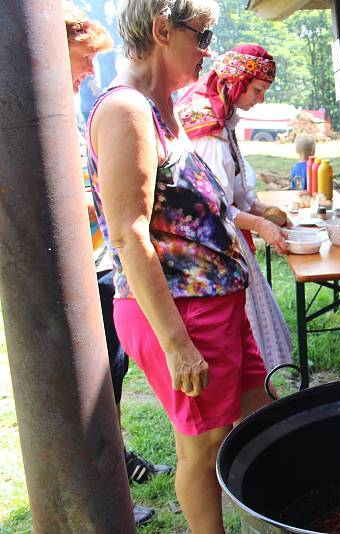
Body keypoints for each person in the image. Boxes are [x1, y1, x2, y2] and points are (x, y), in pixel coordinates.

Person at [86, 1, 272, 531]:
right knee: (205, 445)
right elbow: (128, 233)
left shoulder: (163, 103)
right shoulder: (126, 110)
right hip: (182, 311)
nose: (210, 48)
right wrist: (176, 344)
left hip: (217, 299)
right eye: (203, 34)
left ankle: (280, 516)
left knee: (260, 418)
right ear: (161, 29)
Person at [63, 2, 168, 526]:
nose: (87, 72)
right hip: (72, 270)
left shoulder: (68, 108)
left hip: (96, 260)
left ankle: (116, 463)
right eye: (82, 60)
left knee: (112, 368)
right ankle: (100, 481)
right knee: (85, 381)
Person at [177, 44, 293, 376]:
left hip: (229, 239)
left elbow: (235, 191)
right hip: (214, 249)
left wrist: (259, 208)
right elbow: (213, 207)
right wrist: (260, 225)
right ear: (237, 81)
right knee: (243, 347)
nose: (261, 99)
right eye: (258, 90)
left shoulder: (223, 118)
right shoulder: (208, 129)